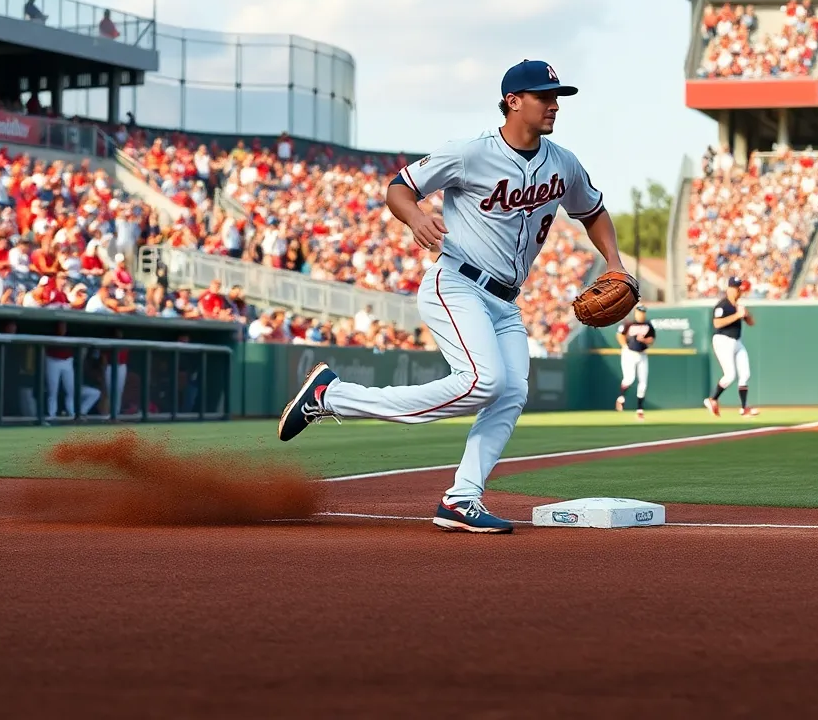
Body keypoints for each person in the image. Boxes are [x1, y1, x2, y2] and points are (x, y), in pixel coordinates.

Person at [275, 59, 630, 534]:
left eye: (556, 97)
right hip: (457, 283)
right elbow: (399, 188)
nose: (554, 105)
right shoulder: (469, 153)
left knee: (511, 393)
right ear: (513, 101)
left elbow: (593, 211)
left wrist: (614, 262)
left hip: (505, 302)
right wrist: (416, 216)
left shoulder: (562, 162)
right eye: (544, 96)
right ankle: (332, 396)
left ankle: (462, 499)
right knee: (483, 382)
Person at [704, 276, 759, 417]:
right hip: (723, 340)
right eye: (735, 288)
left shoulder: (738, 306)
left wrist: (746, 314)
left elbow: (752, 323)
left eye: (739, 288)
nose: (738, 291)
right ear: (729, 289)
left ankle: (744, 408)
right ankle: (712, 399)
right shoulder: (723, 305)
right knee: (729, 375)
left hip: (737, 341)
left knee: (745, 374)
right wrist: (737, 315)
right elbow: (717, 323)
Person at [44, 322, 101, 421]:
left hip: (67, 361)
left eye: (64, 327)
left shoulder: (71, 335)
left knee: (70, 390)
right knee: (52, 390)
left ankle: (71, 414)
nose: (62, 329)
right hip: (52, 360)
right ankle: (51, 415)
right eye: (60, 326)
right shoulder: (50, 335)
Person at [615, 304, 656, 421]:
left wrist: (645, 340)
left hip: (642, 354)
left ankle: (639, 410)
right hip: (629, 353)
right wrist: (625, 346)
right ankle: (621, 398)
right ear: (636, 313)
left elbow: (652, 339)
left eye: (643, 313)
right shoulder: (629, 323)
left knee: (643, 383)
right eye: (640, 312)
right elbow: (619, 335)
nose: (642, 315)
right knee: (629, 379)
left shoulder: (648, 324)